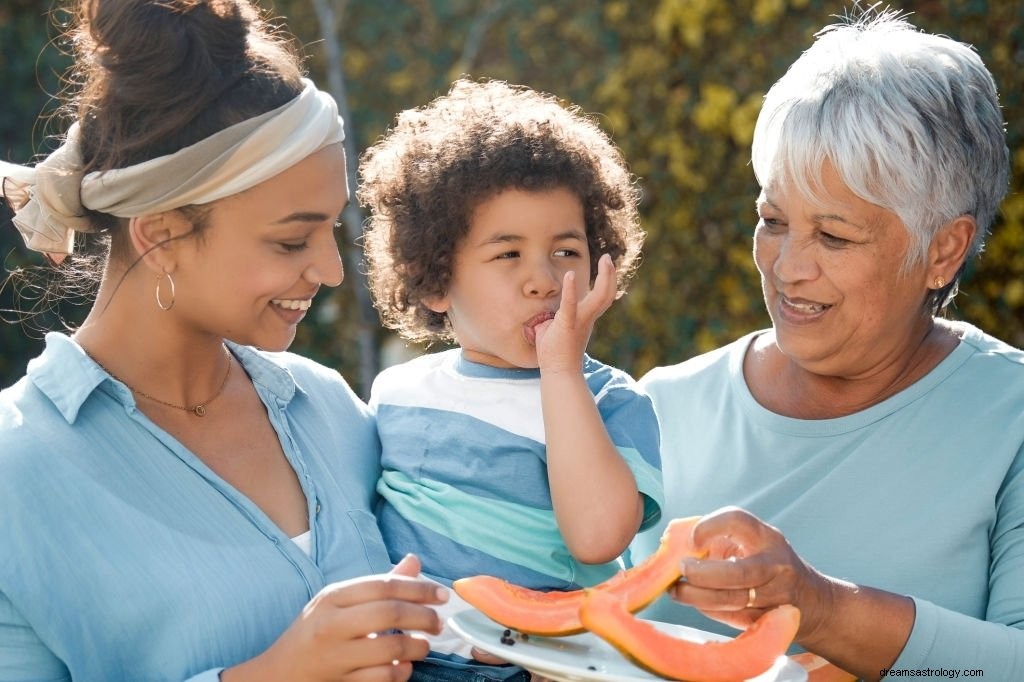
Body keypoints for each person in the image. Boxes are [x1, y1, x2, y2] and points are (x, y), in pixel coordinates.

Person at [0, 1, 448, 680]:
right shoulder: (17, 472)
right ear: (161, 235)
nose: (328, 270)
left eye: (331, 228)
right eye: (291, 239)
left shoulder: (329, 409)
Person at [628, 9, 1023, 681]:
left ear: (943, 250)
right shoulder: (656, 407)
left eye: (834, 237)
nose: (787, 268)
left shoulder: (1011, 418)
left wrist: (822, 609)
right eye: (773, 220)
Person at [357, 78, 664, 680]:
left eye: (567, 252)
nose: (544, 280)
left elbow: (599, 537)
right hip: (416, 663)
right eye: (508, 254)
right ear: (435, 278)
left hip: (552, 666)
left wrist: (560, 371)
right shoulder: (397, 395)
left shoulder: (609, 401)